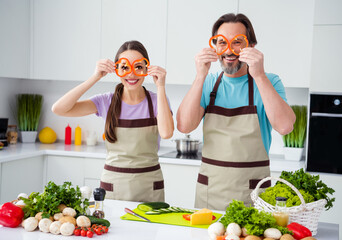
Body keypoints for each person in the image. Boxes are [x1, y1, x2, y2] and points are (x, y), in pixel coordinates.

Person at [176, 13, 296, 211]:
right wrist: (199, 76)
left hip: (253, 194)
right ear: (215, 47)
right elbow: (184, 126)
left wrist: (259, 75)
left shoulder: (269, 81)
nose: (229, 50)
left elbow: (285, 126)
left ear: (252, 47)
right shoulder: (208, 82)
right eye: (222, 42)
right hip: (210, 193)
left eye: (237, 42)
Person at [52, 40, 174, 202]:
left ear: (147, 69)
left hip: (149, 184)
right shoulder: (106, 101)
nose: (131, 74)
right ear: (117, 70)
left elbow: (166, 133)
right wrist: (95, 77)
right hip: (114, 184)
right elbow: (59, 109)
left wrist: (161, 87)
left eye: (138, 66)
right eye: (124, 67)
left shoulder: (157, 99)